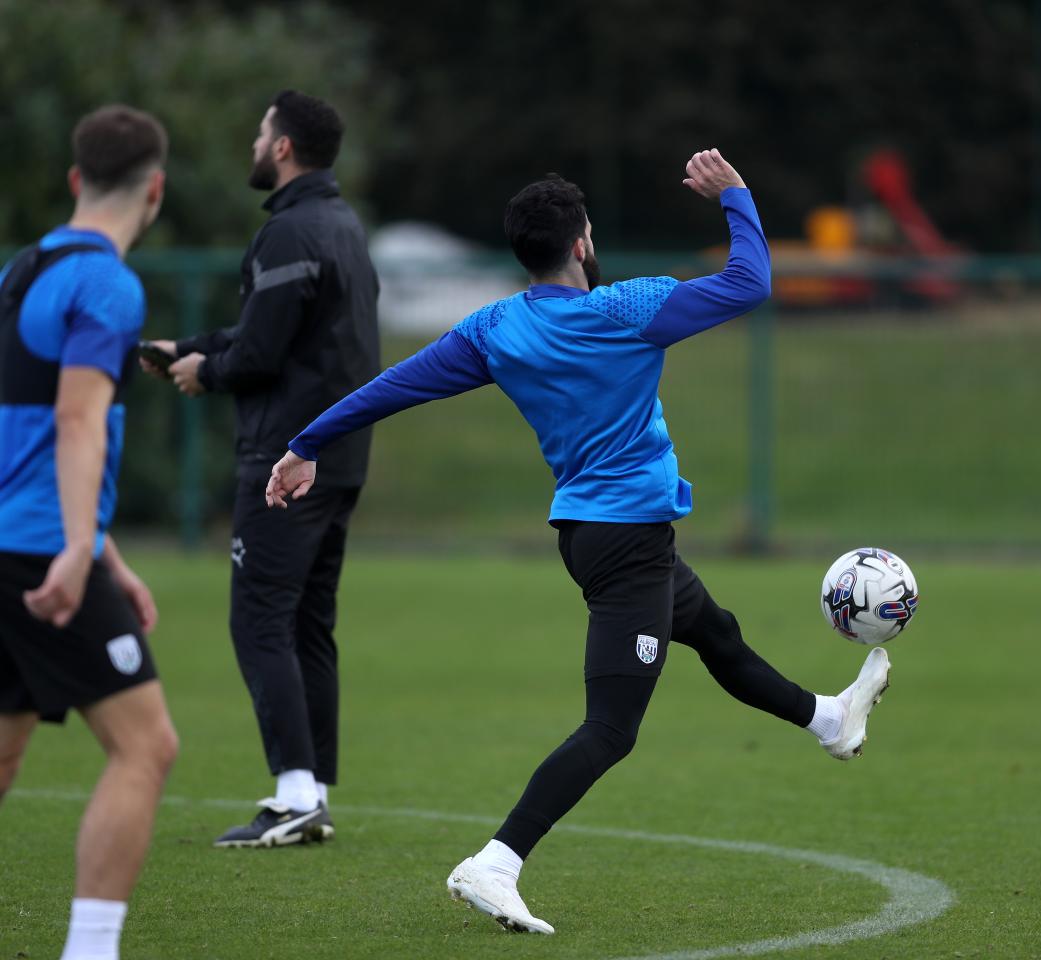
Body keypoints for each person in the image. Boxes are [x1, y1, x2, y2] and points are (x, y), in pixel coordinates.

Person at [264, 149, 892, 933]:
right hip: (624, 545)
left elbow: (391, 388)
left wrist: (306, 444)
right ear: (583, 243)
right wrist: (736, 197)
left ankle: (830, 721)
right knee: (610, 730)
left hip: (610, 537)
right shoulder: (628, 309)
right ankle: (495, 863)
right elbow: (752, 281)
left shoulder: (494, 329)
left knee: (716, 634)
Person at [140, 91, 380, 847]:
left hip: (286, 460)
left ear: (282, 148)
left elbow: (261, 354)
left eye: (260, 132)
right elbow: (270, 334)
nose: (253, 141)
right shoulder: (342, 226)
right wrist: (191, 348)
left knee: (260, 620)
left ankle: (296, 794)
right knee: (309, 622)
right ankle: (310, 790)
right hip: (340, 456)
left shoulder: (289, 231)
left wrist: (206, 372)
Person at [0, 104, 179, 960]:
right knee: (146, 748)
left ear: (76, 180)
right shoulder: (108, 283)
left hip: (18, 541)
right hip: (40, 551)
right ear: (156, 188)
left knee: (2, 751)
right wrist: (78, 549)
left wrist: (105, 549)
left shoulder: (19, 270)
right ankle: (90, 953)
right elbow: (77, 422)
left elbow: (26, 434)